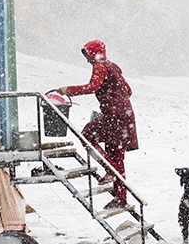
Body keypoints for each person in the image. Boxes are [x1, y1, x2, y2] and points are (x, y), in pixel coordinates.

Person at [58, 39, 138, 209]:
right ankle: (121, 198)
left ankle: (108, 168)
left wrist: (68, 90)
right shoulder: (113, 66)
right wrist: (117, 100)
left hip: (114, 115)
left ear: (93, 52)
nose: (87, 59)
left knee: (87, 135)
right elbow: (128, 91)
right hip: (126, 115)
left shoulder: (100, 66)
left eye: (87, 54)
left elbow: (93, 87)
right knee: (117, 155)